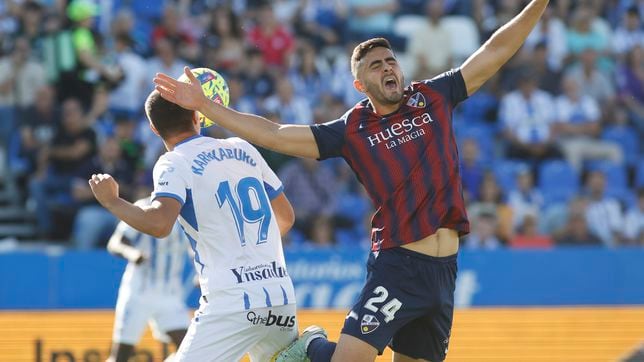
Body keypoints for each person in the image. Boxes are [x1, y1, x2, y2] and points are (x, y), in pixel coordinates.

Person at [153, 1, 550, 360]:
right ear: (360, 85)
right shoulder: (352, 129)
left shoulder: (433, 96)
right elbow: (274, 134)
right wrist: (206, 107)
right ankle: (310, 348)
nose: (387, 68)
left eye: (390, 61)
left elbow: (496, 50)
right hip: (399, 265)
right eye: (375, 66)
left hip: (445, 272)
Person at [88, 89, 298, 361]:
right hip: (280, 295)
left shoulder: (174, 162)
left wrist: (112, 202)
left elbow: (160, 224)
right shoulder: (242, 148)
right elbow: (285, 217)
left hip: (230, 301)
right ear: (197, 117)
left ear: (154, 129)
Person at [106, 197, 192, 362]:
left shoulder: (187, 213)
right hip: (139, 291)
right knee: (121, 356)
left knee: (190, 350)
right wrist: (132, 253)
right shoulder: (143, 207)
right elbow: (115, 242)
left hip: (170, 294)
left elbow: (195, 249)